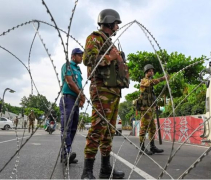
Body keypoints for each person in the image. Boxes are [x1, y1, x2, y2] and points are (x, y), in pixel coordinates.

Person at [81, 9, 129, 179]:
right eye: (116, 23)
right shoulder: (94, 38)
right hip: (101, 90)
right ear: (108, 22)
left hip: (113, 91)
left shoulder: (110, 43)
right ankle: (87, 171)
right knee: (97, 127)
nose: (117, 26)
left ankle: (105, 168)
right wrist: (110, 57)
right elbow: (88, 59)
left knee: (109, 131)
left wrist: (119, 59)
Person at [59, 48, 85, 165]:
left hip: (75, 100)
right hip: (68, 99)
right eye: (80, 55)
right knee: (66, 128)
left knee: (73, 128)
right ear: (73, 56)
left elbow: (79, 84)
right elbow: (69, 82)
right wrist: (80, 95)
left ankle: (65, 154)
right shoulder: (68, 66)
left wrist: (81, 97)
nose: (82, 57)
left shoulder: (78, 70)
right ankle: (66, 154)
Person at [139, 64, 167, 155]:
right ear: (146, 72)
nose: (152, 72)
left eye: (152, 71)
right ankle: (142, 148)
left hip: (150, 108)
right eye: (150, 71)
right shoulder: (144, 81)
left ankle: (152, 146)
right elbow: (152, 82)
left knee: (152, 128)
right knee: (143, 128)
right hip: (145, 109)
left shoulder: (151, 85)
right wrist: (163, 78)